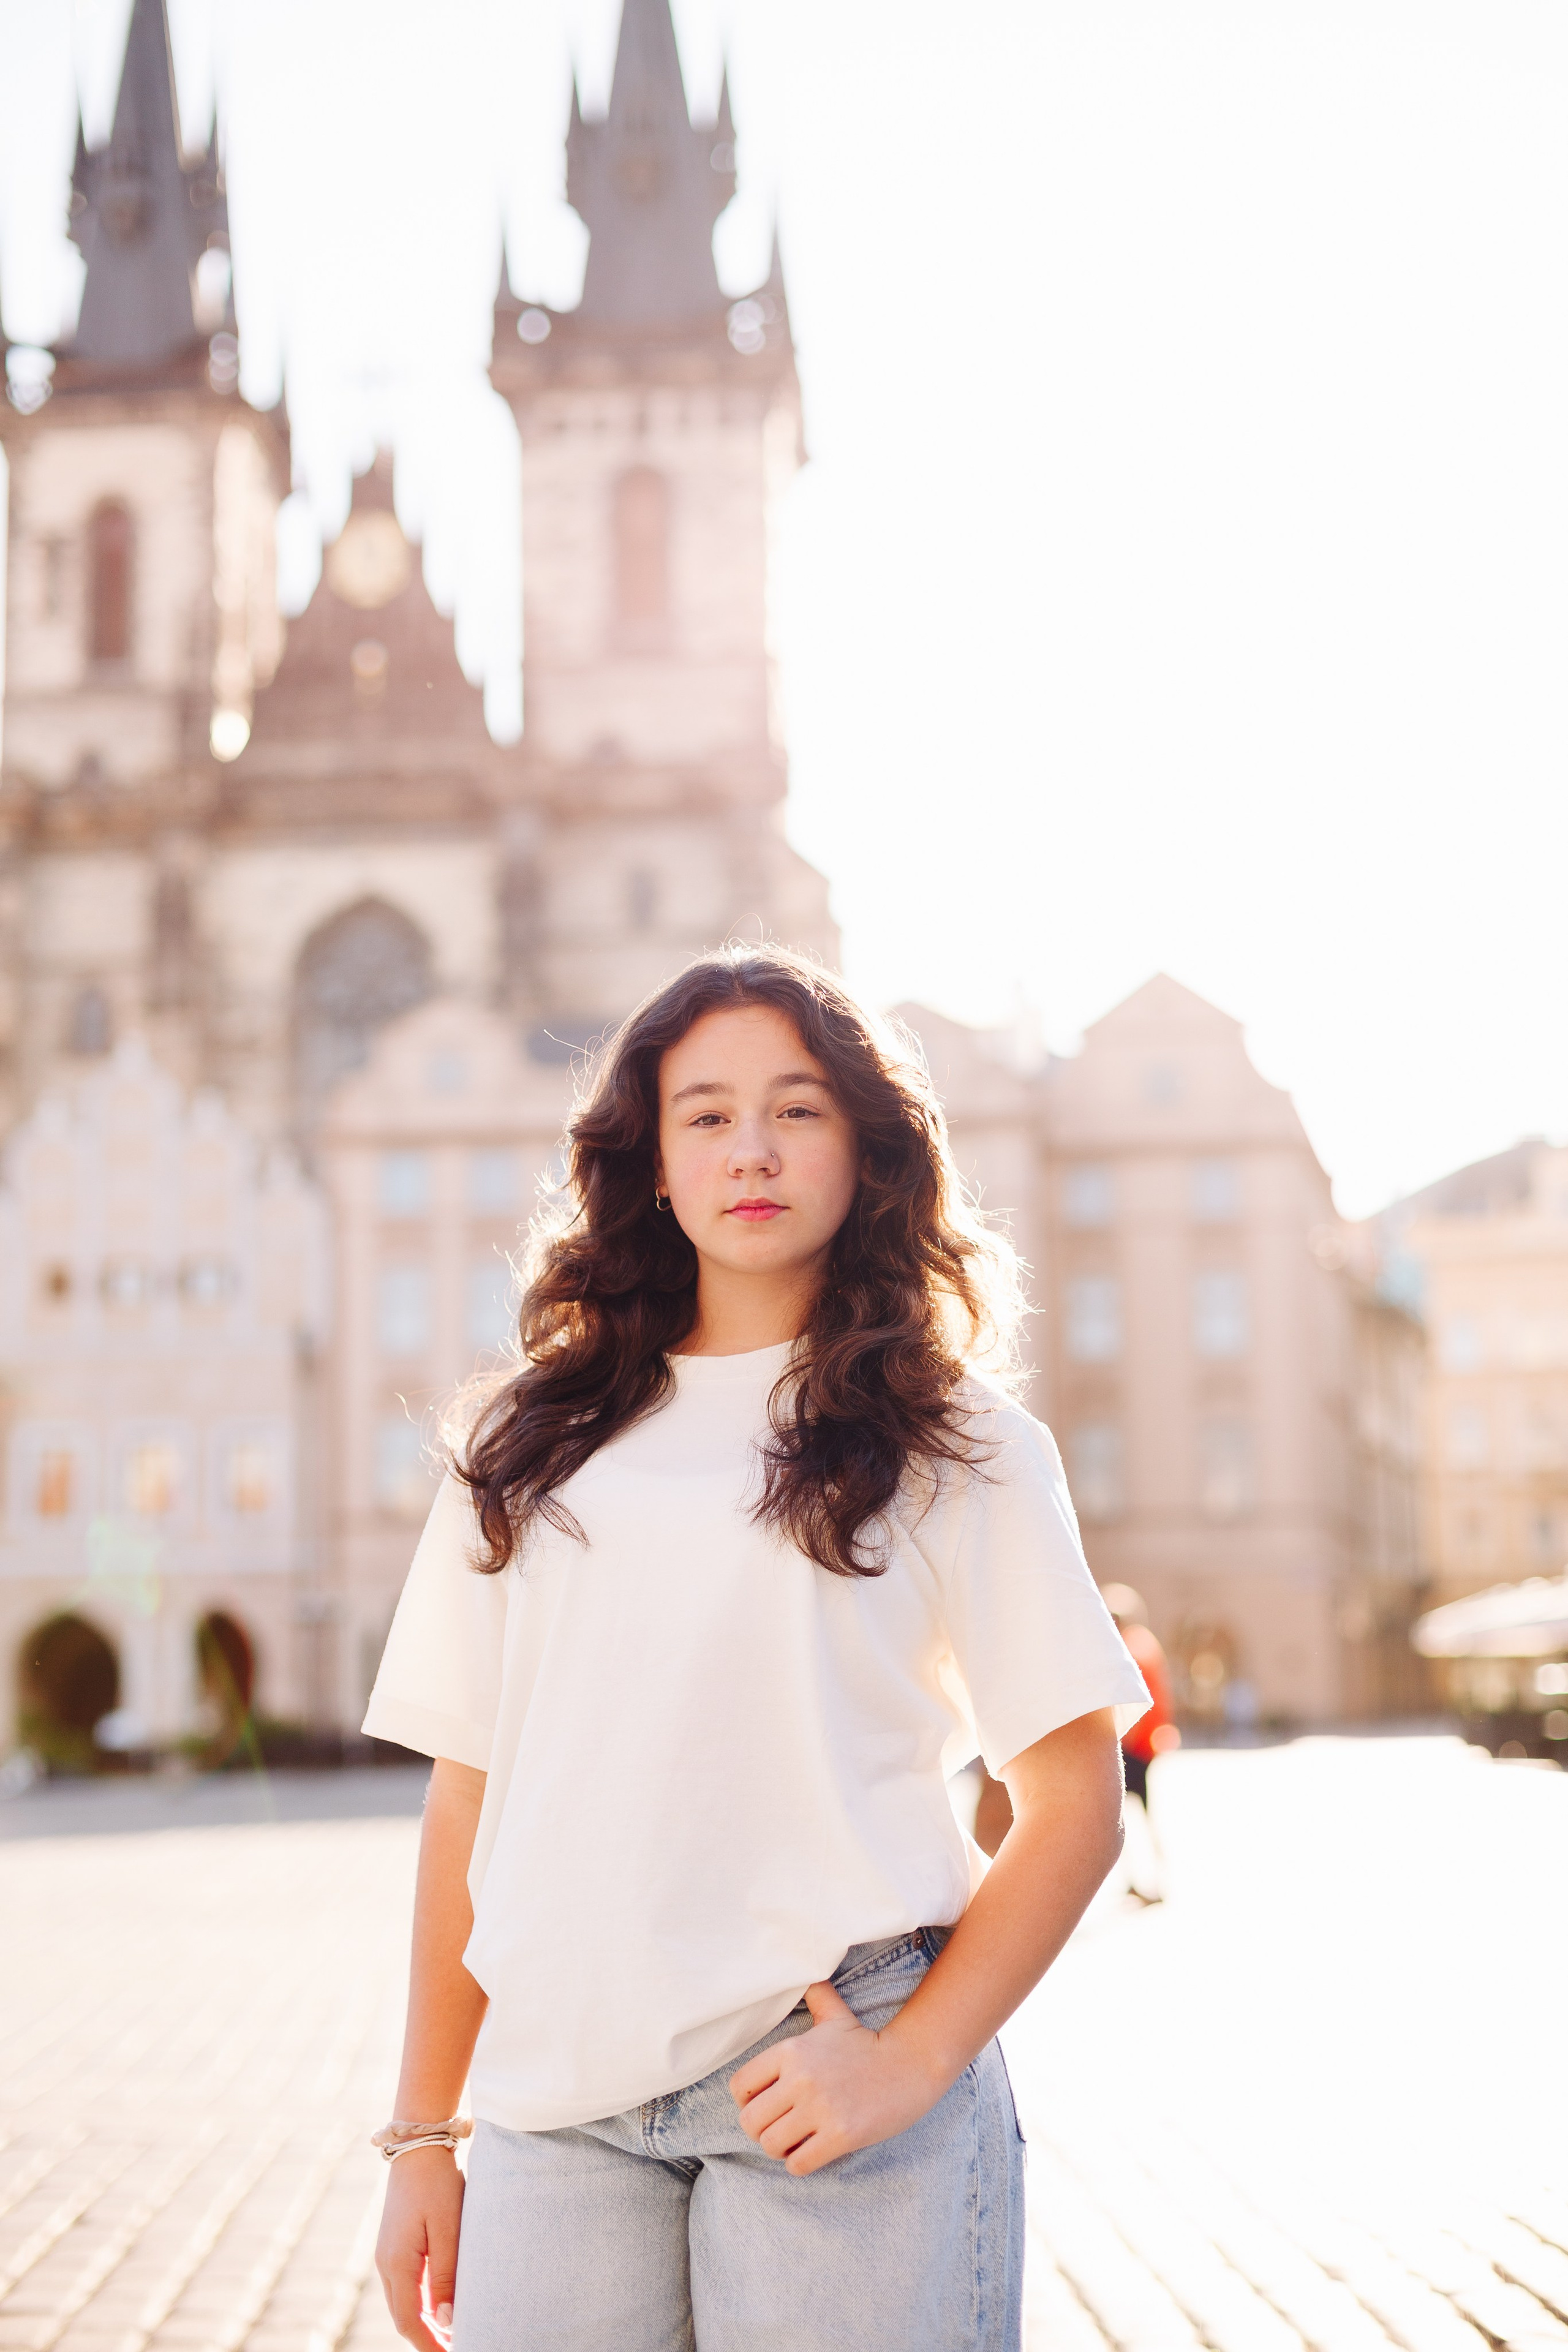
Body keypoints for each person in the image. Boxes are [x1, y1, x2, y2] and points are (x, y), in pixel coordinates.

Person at [365, 946, 1151, 2352]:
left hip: (830, 2068)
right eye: (707, 1114)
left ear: (866, 1150)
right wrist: (423, 2130)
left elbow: (1073, 1802)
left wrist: (909, 2063)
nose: (752, 1150)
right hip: (559, 2106)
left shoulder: (955, 1441)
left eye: (796, 1109)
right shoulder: (523, 1445)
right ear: (653, 1164)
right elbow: (469, 1796)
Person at [1099, 1585, 1179, 1806]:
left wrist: (1118, 1742)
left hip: (1137, 1742)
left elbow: (1132, 1698)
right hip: (1151, 1738)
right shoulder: (1144, 1641)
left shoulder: (1131, 1647)